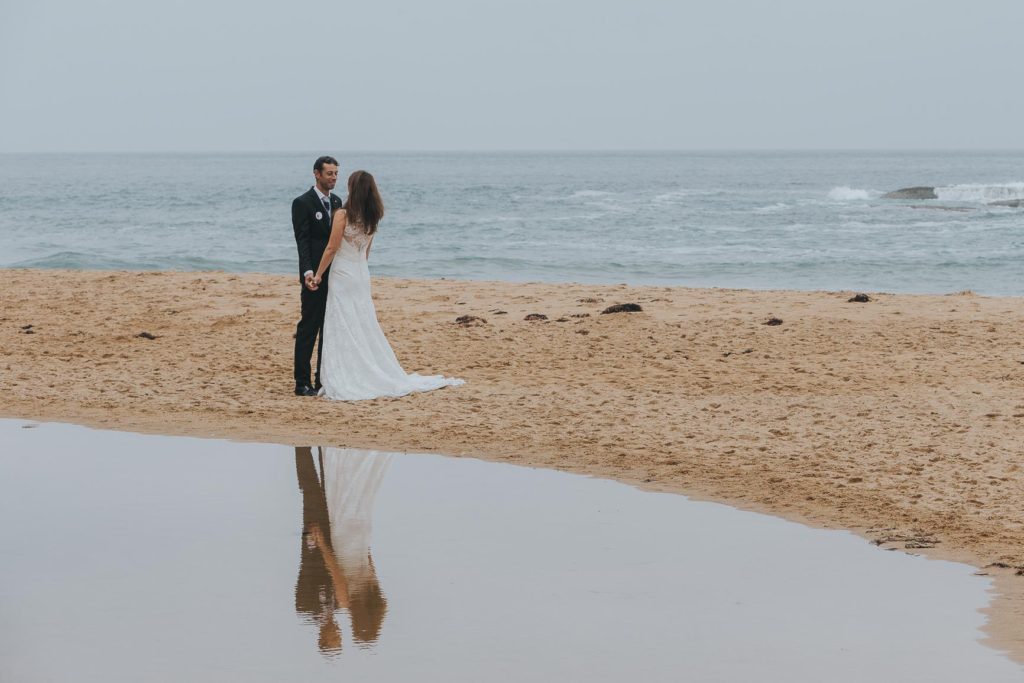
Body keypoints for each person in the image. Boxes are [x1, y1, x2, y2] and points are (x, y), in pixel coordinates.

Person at [310, 170, 464, 401]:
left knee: (343, 321)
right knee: (361, 320)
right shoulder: (373, 215)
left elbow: (332, 248)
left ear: (353, 188)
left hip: (343, 272)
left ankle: (347, 373)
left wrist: (319, 274)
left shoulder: (343, 214)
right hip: (361, 272)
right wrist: (359, 269)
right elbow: (367, 250)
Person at [291, 156, 344, 397]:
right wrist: (308, 272)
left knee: (329, 328)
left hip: (334, 275)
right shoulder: (302, 203)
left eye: (336, 174)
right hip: (314, 276)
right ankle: (301, 382)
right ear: (317, 174)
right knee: (308, 327)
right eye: (329, 173)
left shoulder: (337, 201)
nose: (333, 178)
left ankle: (321, 380)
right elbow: (302, 241)